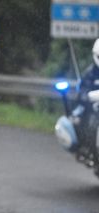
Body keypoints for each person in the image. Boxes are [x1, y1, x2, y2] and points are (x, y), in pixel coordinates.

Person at [70, 38, 99, 168]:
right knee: (85, 117)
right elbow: (81, 90)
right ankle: (86, 147)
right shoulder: (90, 73)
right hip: (94, 108)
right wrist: (85, 96)